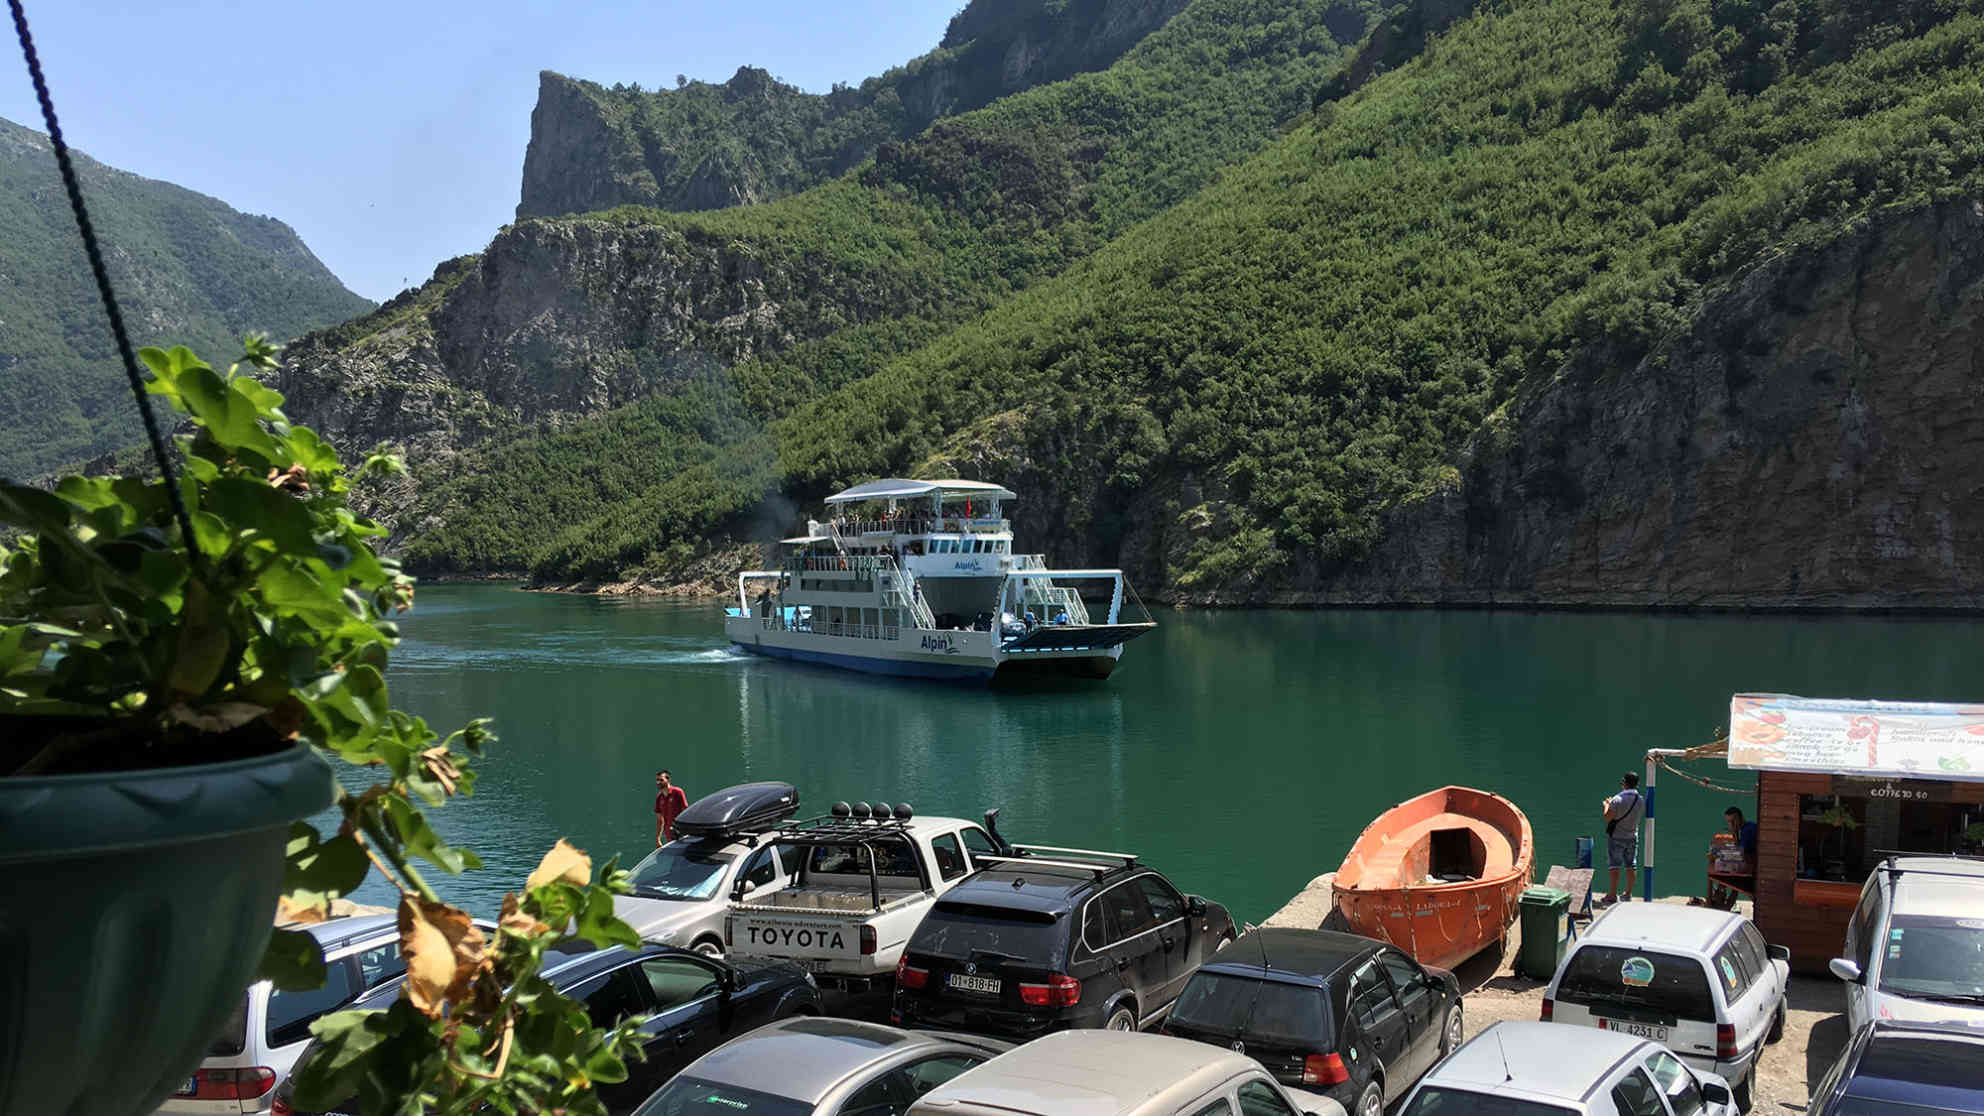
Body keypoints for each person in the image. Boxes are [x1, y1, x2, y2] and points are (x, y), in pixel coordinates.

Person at [1600, 772, 1645, 905]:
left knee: (1614, 866)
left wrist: (1606, 805)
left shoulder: (1617, 799)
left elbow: (1607, 817)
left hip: (1617, 837)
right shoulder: (1640, 799)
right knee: (1631, 865)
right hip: (1632, 836)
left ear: (1624, 783)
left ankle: (1612, 895)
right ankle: (1628, 893)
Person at [654, 770, 688, 848]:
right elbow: (659, 819)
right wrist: (658, 838)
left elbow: (686, 812)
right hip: (669, 835)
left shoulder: (678, 792)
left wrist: (685, 831)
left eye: (661, 780)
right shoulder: (659, 798)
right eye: (657, 780)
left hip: (681, 834)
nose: (658, 782)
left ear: (668, 780)